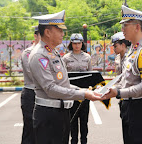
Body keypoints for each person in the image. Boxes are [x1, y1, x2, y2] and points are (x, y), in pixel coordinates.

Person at [29, 10, 104, 144]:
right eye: (60, 30)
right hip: (48, 115)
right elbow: (51, 88)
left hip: (61, 112)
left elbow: (63, 83)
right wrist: (83, 94)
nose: (63, 34)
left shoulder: (53, 52)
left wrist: (84, 91)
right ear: (48, 32)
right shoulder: (39, 55)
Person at [104, 5, 142, 144]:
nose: (122, 30)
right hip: (129, 106)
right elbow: (126, 78)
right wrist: (108, 88)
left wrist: (118, 92)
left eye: (125, 26)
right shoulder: (132, 50)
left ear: (137, 27)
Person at [62, 33, 92, 144]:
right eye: (74, 43)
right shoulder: (66, 58)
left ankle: (84, 141)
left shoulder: (87, 57)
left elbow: (90, 75)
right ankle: (73, 141)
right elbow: (63, 77)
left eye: (79, 43)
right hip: (71, 93)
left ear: (82, 44)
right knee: (72, 121)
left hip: (84, 94)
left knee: (84, 121)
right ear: (71, 44)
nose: (77, 45)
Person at [20, 25, 40, 144]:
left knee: (41, 129)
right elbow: (33, 74)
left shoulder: (49, 52)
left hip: (43, 94)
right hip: (30, 93)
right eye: (40, 36)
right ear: (35, 36)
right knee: (30, 128)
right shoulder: (28, 53)